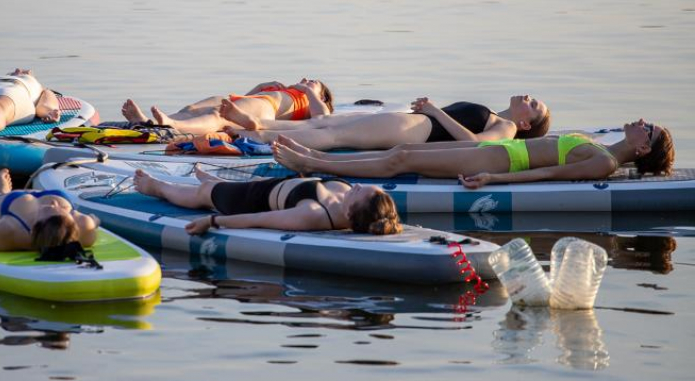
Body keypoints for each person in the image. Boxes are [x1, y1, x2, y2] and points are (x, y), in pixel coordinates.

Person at [272, 120, 674, 188]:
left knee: (401, 161)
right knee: (404, 148)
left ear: (642, 148)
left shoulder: (604, 162)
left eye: (649, 128)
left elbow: (549, 175)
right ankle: (313, 155)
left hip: (499, 162)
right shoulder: (601, 146)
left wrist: (494, 179)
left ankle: (311, 163)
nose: (642, 121)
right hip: (499, 148)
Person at [132, 167, 402, 235]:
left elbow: (257, 218)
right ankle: (213, 180)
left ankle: (156, 186)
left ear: (353, 212)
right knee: (214, 183)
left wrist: (212, 220)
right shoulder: (355, 204)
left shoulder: (312, 215)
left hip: (251, 199)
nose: (354, 185)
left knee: (205, 193)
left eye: (358, 191)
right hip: (283, 185)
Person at [226, 95, 550, 151]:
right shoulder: (495, 115)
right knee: (325, 126)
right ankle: (254, 126)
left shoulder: (505, 128)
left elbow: (474, 145)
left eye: (533, 105)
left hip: (418, 131)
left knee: (332, 138)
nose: (528, 96)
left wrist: (437, 112)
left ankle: (254, 137)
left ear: (524, 124)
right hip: (413, 123)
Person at [0, 169, 99, 253]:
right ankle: (3, 191)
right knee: (28, 201)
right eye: (63, 212)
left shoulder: (9, 232)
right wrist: (93, 221)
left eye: (50, 209)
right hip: (22, 203)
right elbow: (95, 220)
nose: (53, 203)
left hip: (4, 208)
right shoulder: (84, 227)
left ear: (34, 228)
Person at [121, 78, 335, 134]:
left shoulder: (311, 102)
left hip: (266, 108)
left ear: (322, 95)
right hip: (255, 100)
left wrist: (308, 91)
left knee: (218, 116)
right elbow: (247, 99)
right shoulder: (289, 90)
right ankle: (150, 123)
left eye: (313, 81)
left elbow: (323, 117)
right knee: (194, 109)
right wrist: (261, 86)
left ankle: (172, 125)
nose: (306, 80)